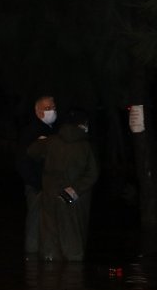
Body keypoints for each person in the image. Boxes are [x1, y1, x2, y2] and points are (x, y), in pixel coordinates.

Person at [27, 108, 98, 262]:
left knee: (49, 235)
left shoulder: (51, 141)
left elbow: (31, 151)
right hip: (70, 196)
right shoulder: (86, 146)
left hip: (50, 194)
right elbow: (93, 173)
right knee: (72, 235)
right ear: (83, 125)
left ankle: (49, 270)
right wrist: (76, 189)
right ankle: (74, 276)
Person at [16, 95, 58, 255]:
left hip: (49, 186)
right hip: (37, 186)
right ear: (38, 111)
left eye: (53, 108)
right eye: (47, 108)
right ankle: (32, 257)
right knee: (35, 222)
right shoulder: (31, 132)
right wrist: (37, 184)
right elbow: (22, 162)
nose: (52, 111)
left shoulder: (54, 130)